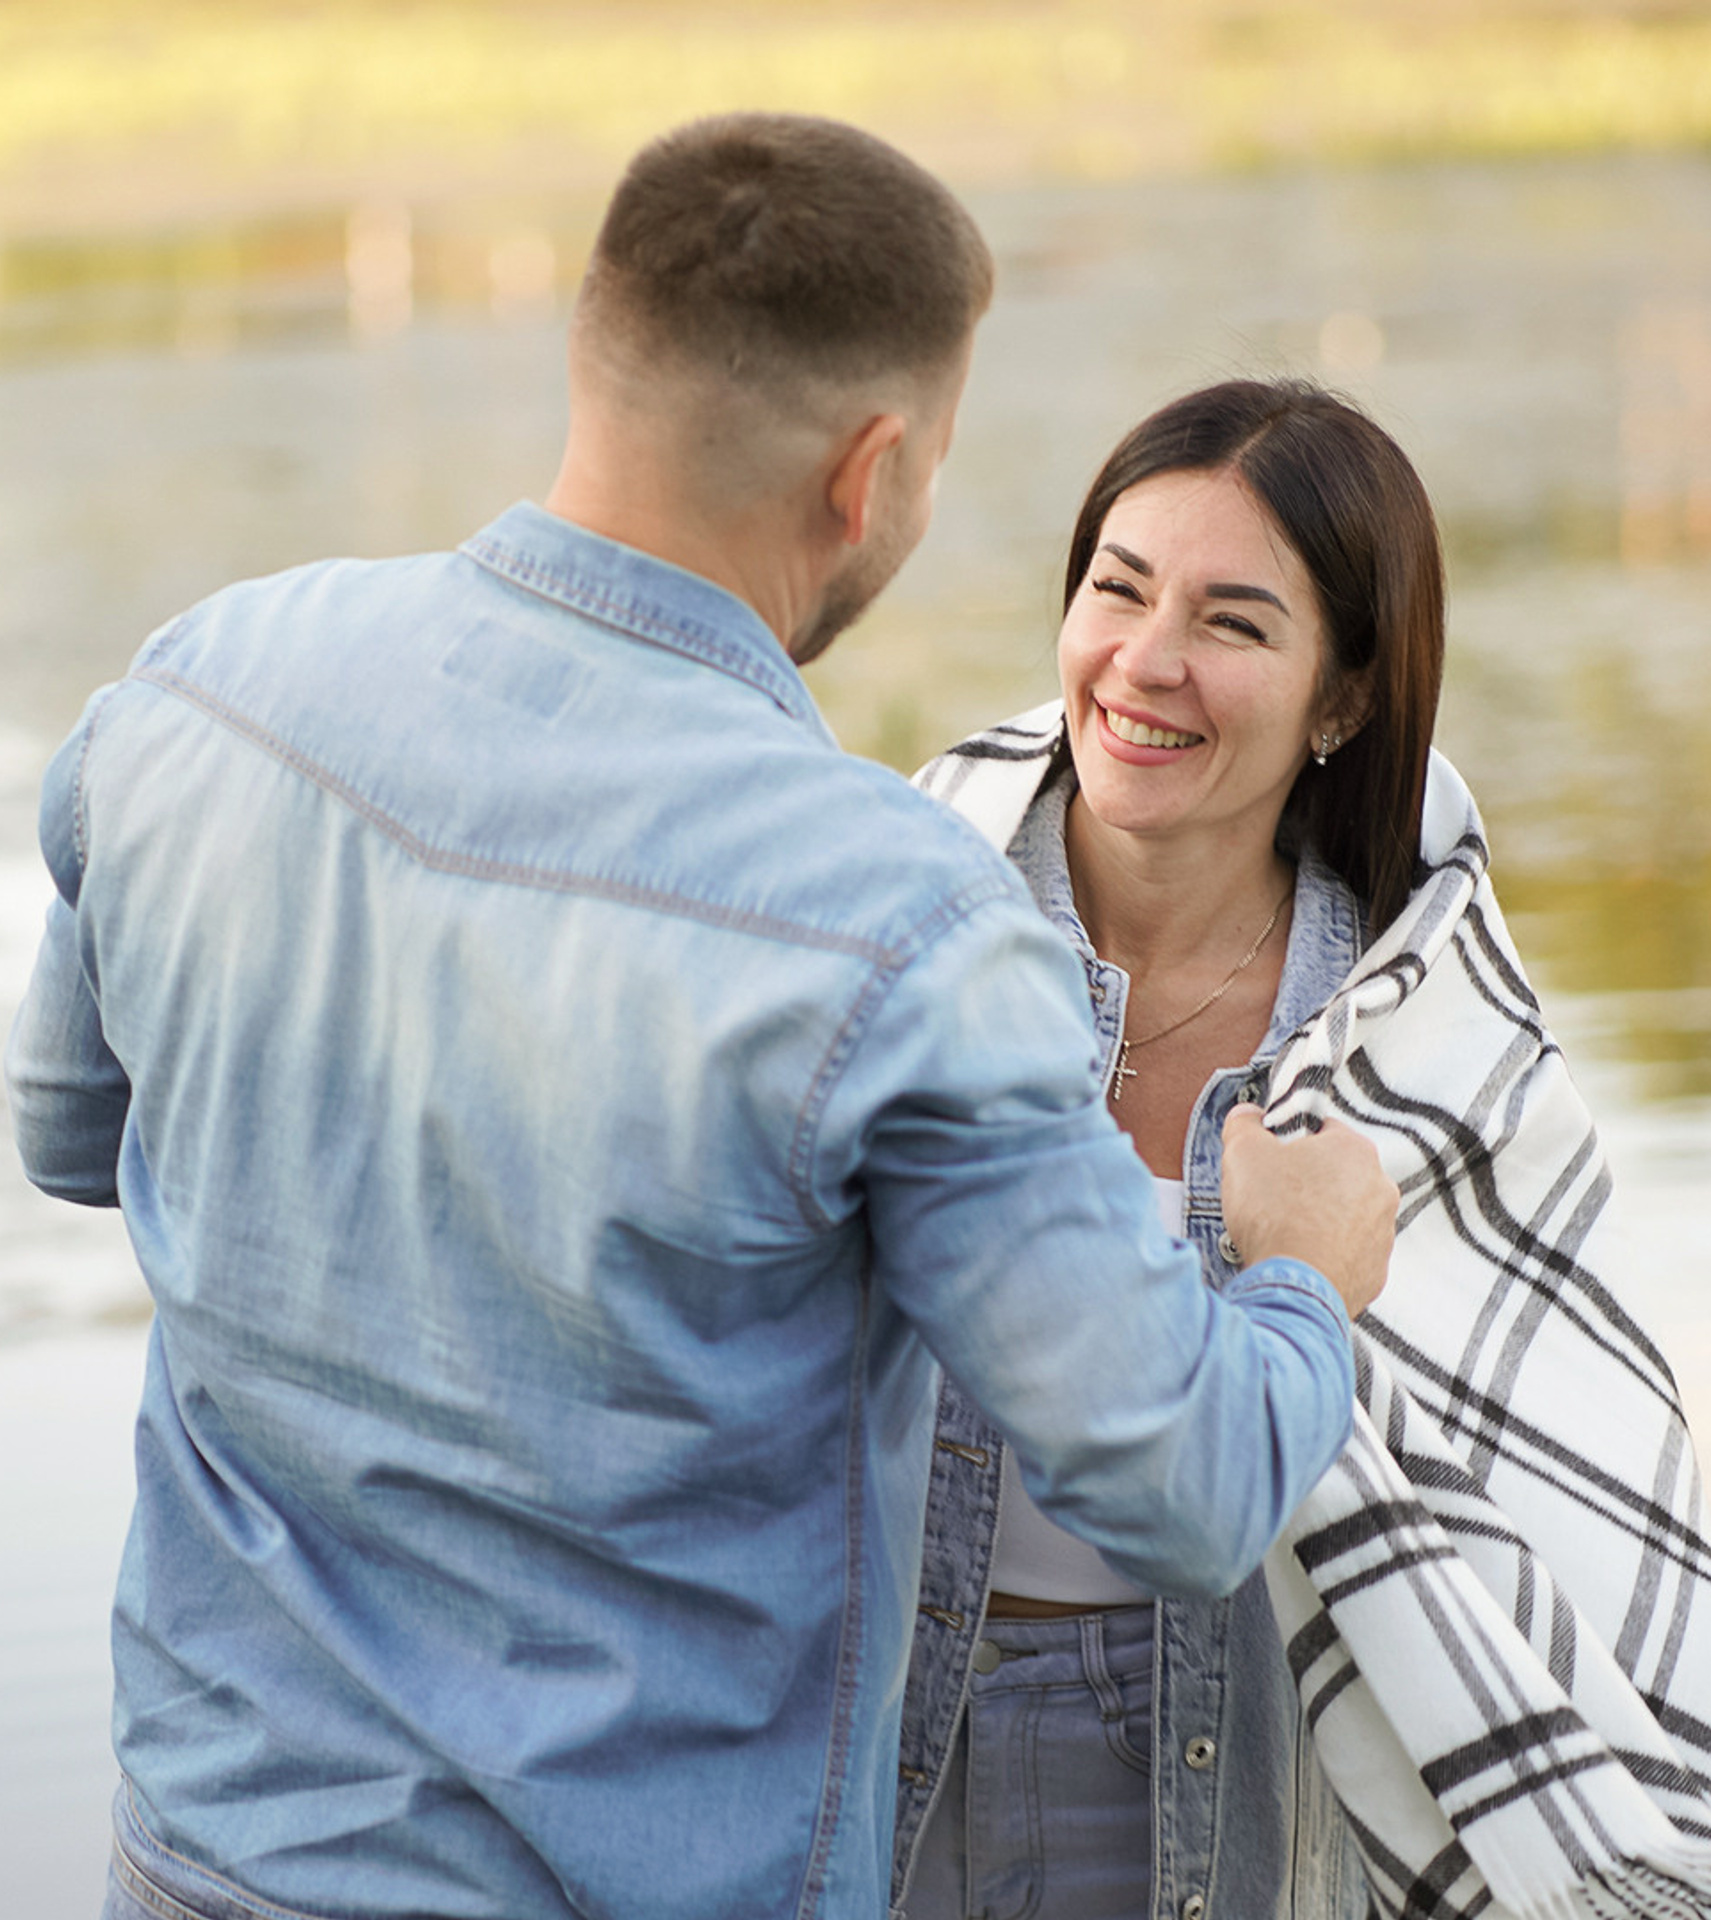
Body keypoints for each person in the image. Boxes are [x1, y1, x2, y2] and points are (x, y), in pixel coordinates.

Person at [3, 120, 1400, 1920]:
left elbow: (64, 1139)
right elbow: (1185, 1489)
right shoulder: (896, 923)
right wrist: (1304, 1277)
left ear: (595, 352)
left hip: (197, 1858)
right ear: (872, 469)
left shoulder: (198, 688)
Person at [896, 378, 1711, 1920]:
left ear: (1342, 697)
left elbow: (1567, 1481)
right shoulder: (892, 928)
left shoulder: (1422, 1032)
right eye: (1118, 590)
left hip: (1256, 1777)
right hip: (878, 1732)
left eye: (1234, 622)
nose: (1145, 664)